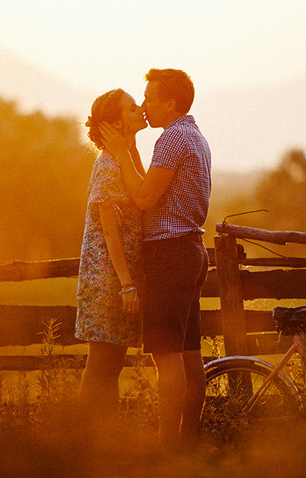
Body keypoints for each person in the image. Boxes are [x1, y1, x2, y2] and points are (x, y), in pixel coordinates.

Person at [96, 68, 212, 443]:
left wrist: (119, 153)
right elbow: (150, 185)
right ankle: (186, 443)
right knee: (190, 354)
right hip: (192, 250)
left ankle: (166, 448)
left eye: (149, 98)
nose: (144, 105)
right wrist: (129, 150)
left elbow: (144, 198)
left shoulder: (171, 139)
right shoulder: (193, 135)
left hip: (170, 255)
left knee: (167, 357)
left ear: (170, 102)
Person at [75, 89, 147, 414]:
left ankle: (106, 435)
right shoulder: (106, 166)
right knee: (102, 363)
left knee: (113, 365)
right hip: (108, 281)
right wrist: (127, 284)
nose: (141, 110)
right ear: (117, 122)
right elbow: (109, 231)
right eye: (132, 109)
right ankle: (87, 435)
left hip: (120, 278)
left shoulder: (126, 158)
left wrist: (130, 148)